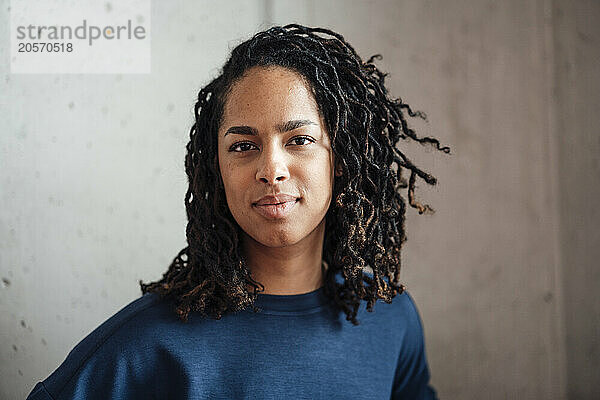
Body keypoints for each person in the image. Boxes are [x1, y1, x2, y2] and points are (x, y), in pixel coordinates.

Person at [27, 24, 450, 399]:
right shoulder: (148, 344)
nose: (271, 171)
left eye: (299, 140)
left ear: (340, 160)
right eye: (244, 146)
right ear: (218, 170)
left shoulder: (390, 318)